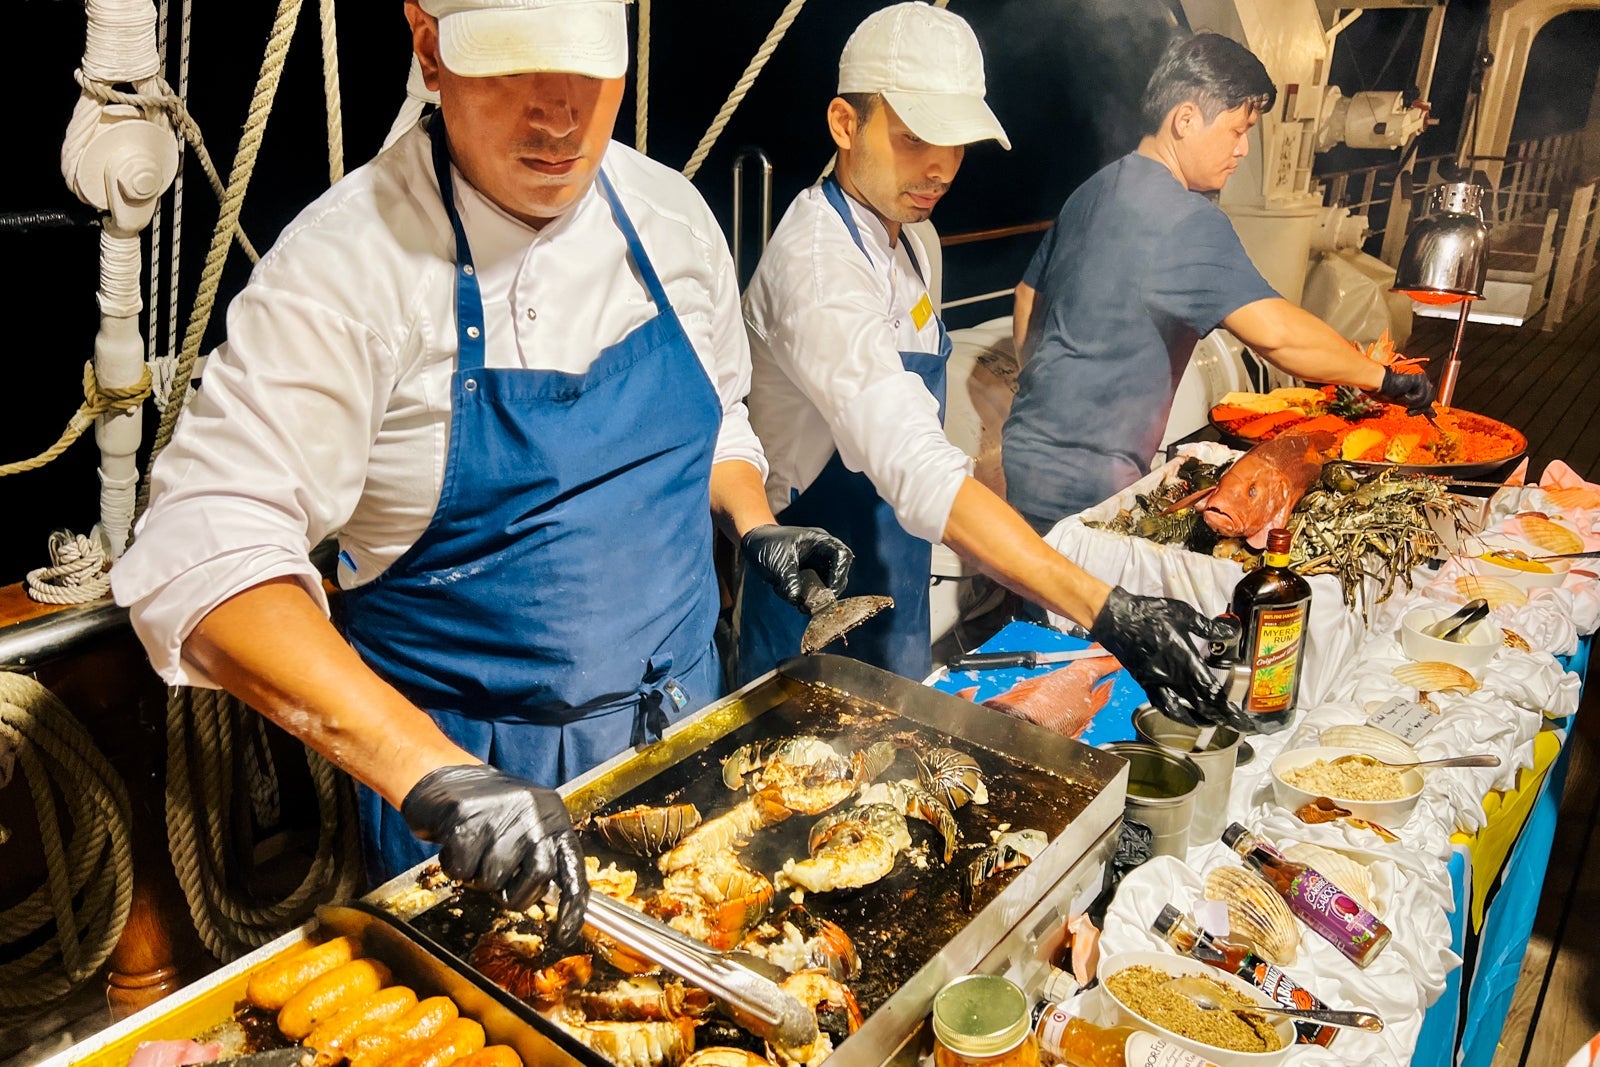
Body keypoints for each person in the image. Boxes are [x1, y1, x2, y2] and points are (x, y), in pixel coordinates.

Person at [110, 0, 852, 938]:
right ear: (429, 48)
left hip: (682, 742)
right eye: (512, 67)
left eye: (590, 66)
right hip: (474, 797)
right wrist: (436, 775)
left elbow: (717, 419)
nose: (560, 114)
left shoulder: (670, 218)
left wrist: (754, 522)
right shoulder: (345, 270)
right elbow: (199, 561)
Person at [737, 1, 1242, 732]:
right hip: (812, 602)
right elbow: (912, 461)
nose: (941, 168)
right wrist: (1109, 607)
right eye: (915, 139)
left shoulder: (917, 241)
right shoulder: (816, 268)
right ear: (845, 125)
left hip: (899, 583)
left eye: (958, 143)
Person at [1004, 31, 1437, 533]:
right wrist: (1381, 379)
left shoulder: (1095, 187)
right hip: (1090, 477)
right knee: (1078, 610)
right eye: (1237, 130)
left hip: (1027, 448)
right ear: (1185, 119)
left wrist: (1045, 387)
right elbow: (1278, 336)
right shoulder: (1186, 220)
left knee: (1035, 599)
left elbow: (1026, 296)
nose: (1243, 149)